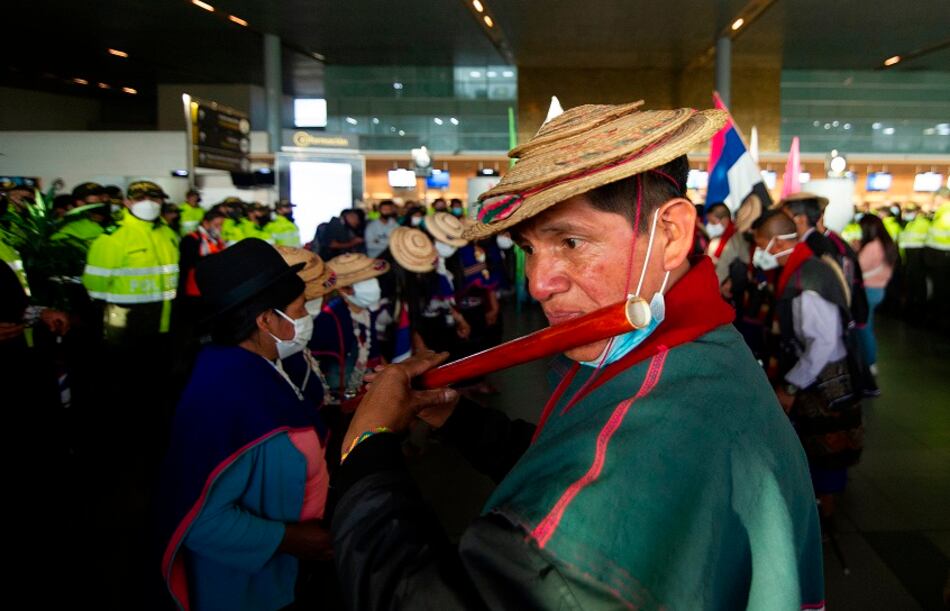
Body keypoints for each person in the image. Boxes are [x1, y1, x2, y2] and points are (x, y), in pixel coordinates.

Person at [327, 101, 823, 609]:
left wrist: (366, 446)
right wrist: (460, 420)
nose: (540, 284)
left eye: (570, 240)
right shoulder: (688, 349)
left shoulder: (661, 420)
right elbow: (568, 456)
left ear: (670, 236)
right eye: (529, 249)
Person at [159, 238, 333, 611]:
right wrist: (289, 539)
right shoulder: (226, 391)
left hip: (279, 578)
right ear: (266, 319)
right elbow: (201, 520)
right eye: (300, 308)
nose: (306, 318)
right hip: (247, 592)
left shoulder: (254, 367)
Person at [754, 211, 863, 525]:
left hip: (828, 379)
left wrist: (790, 387)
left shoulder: (807, 282)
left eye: (761, 246)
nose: (758, 253)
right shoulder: (802, 268)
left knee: (826, 453)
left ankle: (824, 518)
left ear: (776, 244)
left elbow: (823, 343)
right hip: (817, 372)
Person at [313, 253, 390, 410]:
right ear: (344, 290)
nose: (372, 285)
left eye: (371, 279)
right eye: (364, 281)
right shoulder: (328, 319)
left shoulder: (366, 311)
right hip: (341, 400)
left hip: (367, 390)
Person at [418, 211, 472, 357]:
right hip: (425, 330)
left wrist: (460, 319)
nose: (449, 246)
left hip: (444, 324)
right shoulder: (418, 268)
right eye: (443, 240)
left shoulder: (447, 264)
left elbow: (448, 300)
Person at [856, 214, 896, 379]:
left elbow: (858, 267)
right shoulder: (887, 244)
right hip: (879, 290)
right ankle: (869, 361)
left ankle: (870, 362)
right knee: (868, 326)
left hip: (867, 291)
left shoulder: (872, 246)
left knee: (864, 328)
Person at [51, 182, 112, 250]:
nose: (104, 200)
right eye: (97, 197)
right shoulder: (66, 232)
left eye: (104, 197)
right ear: (80, 203)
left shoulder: (113, 223)